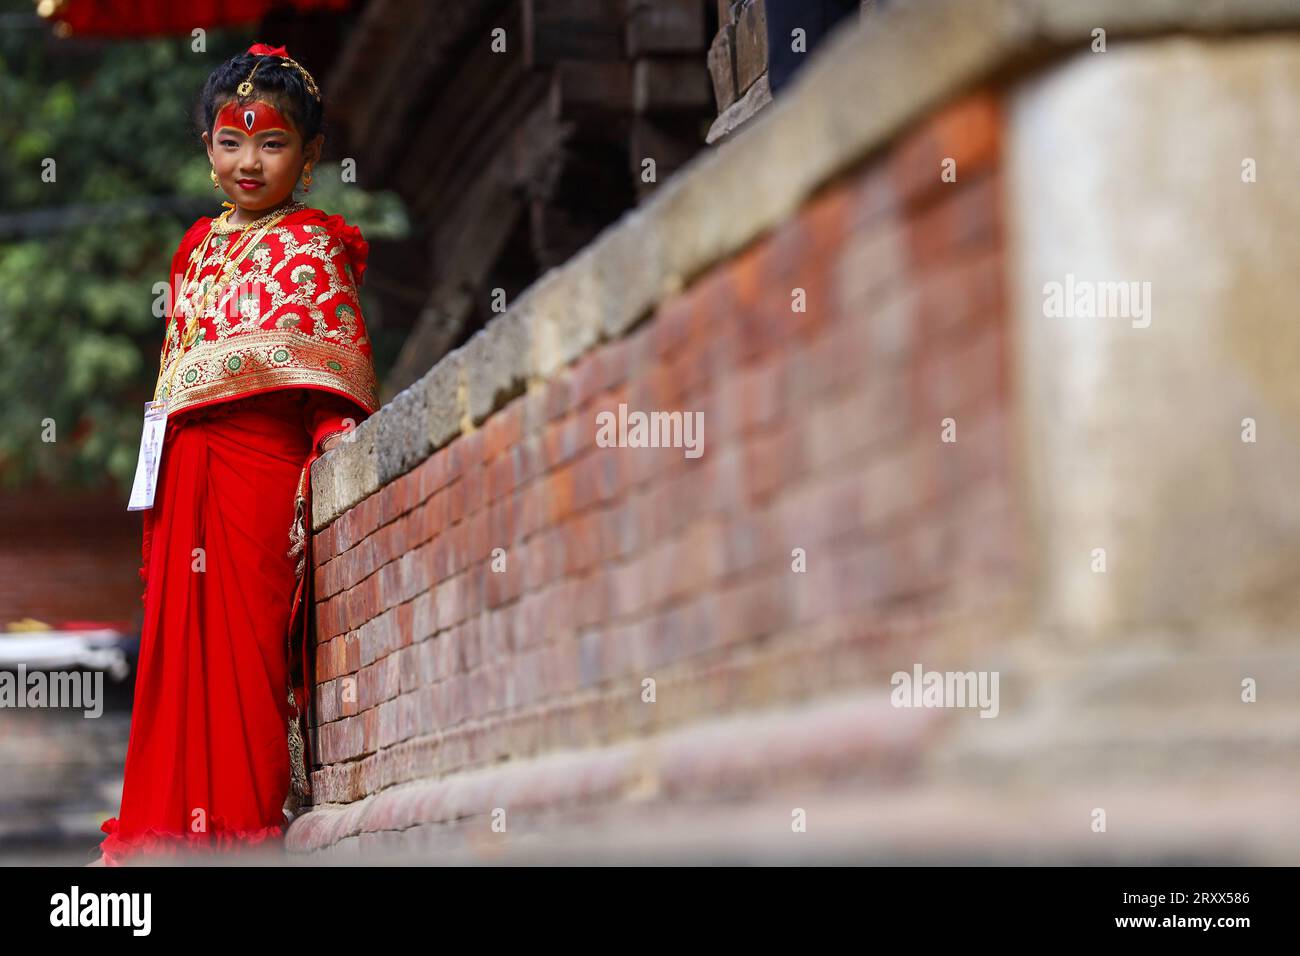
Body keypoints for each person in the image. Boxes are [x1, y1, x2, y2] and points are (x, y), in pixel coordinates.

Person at [95, 42, 379, 866]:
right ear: (207, 149)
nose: (248, 161)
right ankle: (161, 839)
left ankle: (241, 836)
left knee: (249, 668)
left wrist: (336, 442)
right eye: (229, 140)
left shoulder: (315, 244)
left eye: (271, 142)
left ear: (311, 154)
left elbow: (333, 382)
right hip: (187, 474)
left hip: (260, 479)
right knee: (177, 669)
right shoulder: (195, 249)